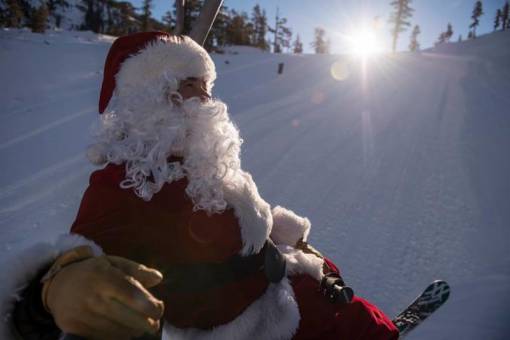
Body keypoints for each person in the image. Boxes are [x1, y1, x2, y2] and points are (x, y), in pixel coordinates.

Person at [2, 32, 399, 340]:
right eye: (190, 85)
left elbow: (232, 221)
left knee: (360, 316)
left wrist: (280, 232)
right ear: (149, 99)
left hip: (293, 282)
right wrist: (53, 290)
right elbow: (86, 256)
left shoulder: (203, 159)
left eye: (206, 86)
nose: (205, 99)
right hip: (267, 326)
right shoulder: (120, 186)